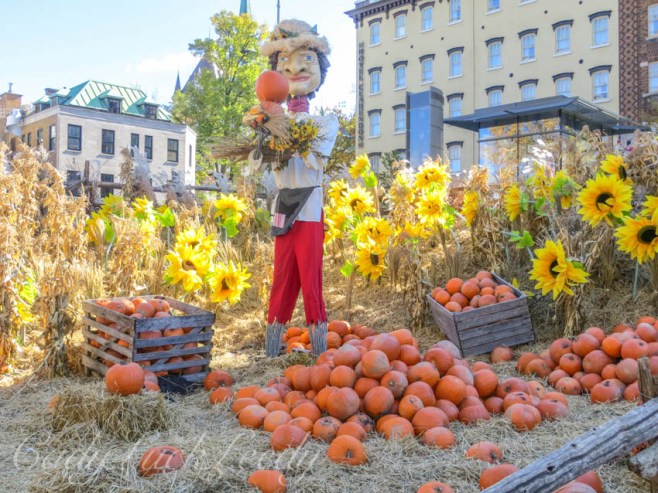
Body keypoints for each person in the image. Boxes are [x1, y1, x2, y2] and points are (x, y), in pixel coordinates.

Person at [253, 20, 339, 356]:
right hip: (283, 207)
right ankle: (271, 350)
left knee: (310, 277)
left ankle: (319, 349)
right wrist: (266, 123)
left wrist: (275, 128)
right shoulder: (266, 121)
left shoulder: (323, 123)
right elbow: (260, 161)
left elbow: (313, 154)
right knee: (282, 276)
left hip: (310, 206)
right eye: (284, 64)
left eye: (306, 60)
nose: (295, 67)